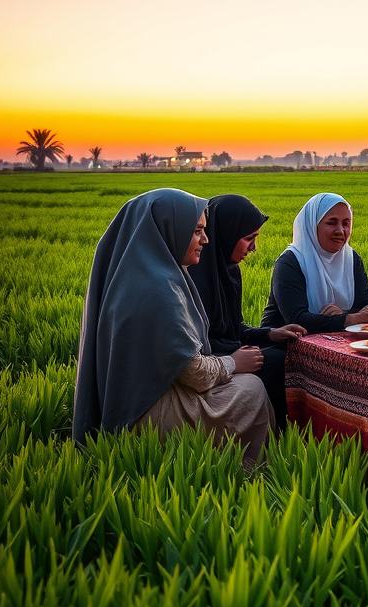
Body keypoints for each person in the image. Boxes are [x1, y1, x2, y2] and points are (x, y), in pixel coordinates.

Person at [73, 188, 273, 466]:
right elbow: (194, 374)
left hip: (130, 400)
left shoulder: (139, 274)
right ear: (168, 230)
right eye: (197, 231)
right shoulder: (159, 289)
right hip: (146, 411)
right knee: (250, 388)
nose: (206, 239)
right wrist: (233, 363)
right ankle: (243, 469)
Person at [188, 194, 306, 432]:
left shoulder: (229, 272)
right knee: (275, 362)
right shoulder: (194, 277)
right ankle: (275, 434)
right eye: (248, 238)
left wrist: (272, 334)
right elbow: (195, 346)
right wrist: (234, 359)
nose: (253, 248)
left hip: (226, 352)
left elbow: (235, 328)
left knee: (286, 350)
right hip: (208, 363)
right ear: (227, 234)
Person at [261, 192, 368, 332]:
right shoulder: (290, 262)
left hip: (336, 343)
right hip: (284, 347)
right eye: (331, 222)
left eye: (346, 223)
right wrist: (349, 319)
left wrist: (342, 315)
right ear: (312, 225)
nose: (340, 230)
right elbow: (297, 320)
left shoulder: (351, 259)